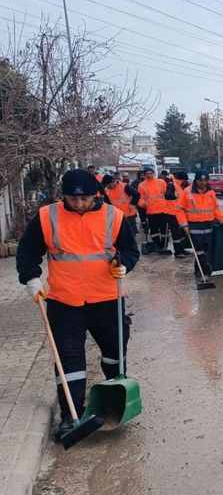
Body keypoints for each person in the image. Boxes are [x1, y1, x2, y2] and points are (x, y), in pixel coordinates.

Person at [16, 169, 139, 440]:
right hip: (64, 300)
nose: (80, 204)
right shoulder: (48, 216)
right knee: (69, 359)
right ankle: (72, 415)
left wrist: (124, 265)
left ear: (96, 195)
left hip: (107, 297)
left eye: (85, 199)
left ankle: (114, 401)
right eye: (73, 199)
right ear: (64, 196)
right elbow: (27, 251)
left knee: (114, 351)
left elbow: (131, 249)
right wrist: (31, 279)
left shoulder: (113, 216)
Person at [176, 172, 223, 277]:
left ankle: (198, 270)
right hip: (194, 225)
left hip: (208, 224)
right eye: (201, 181)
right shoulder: (187, 192)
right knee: (199, 249)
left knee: (206, 249)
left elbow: (216, 208)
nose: (203, 183)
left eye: (205, 181)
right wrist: (184, 224)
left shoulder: (210, 192)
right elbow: (180, 209)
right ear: (196, 180)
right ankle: (205, 270)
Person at [137, 167, 182, 256]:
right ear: (144, 175)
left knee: (164, 231)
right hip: (150, 211)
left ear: (153, 173)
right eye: (147, 174)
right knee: (154, 231)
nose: (149, 175)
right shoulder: (141, 185)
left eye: (150, 173)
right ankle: (157, 246)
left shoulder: (161, 182)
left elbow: (167, 193)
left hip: (163, 210)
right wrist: (142, 204)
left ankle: (164, 246)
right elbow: (140, 198)